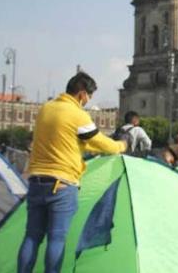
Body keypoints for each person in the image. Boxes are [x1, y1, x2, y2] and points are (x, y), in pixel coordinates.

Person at [17, 72, 127, 273]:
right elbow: (100, 142)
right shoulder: (77, 114)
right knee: (56, 239)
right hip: (62, 185)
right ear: (82, 94)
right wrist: (121, 145)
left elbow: (66, 141)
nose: (88, 101)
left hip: (36, 181)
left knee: (32, 236)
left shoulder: (45, 109)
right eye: (89, 97)